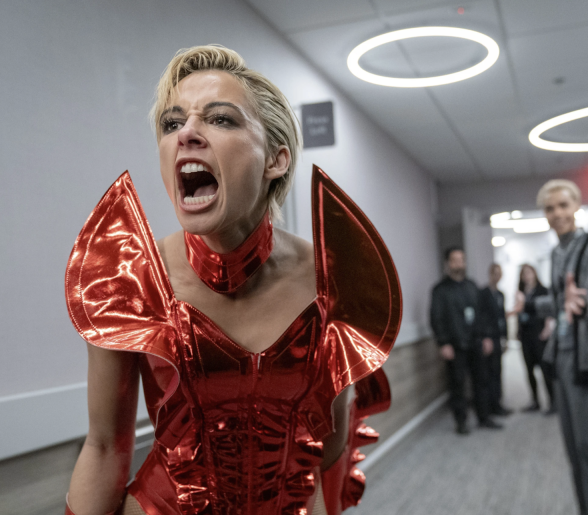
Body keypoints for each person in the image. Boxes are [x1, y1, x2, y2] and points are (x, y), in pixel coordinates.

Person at [64, 45, 402, 515]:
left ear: (276, 160)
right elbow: (104, 448)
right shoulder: (129, 275)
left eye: (221, 119)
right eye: (171, 122)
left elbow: (329, 450)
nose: (187, 134)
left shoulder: (334, 279)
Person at [513, 179, 588, 515]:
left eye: (563, 205)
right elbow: (561, 302)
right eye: (549, 208)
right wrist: (529, 306)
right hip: (560, 359)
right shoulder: (558, 252)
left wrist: (583, 306)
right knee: (574, 449)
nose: (557, 213)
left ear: (576, 206)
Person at [430, 247, 502, 434]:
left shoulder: (472, 286)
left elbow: (481, 315)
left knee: (481, 381)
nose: (459, 263)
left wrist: (486, 336)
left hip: (475, 343)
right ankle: (461, 421)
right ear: (448, 263)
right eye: (455, 260)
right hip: (455, 346)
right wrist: (443, 342)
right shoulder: (440, 290)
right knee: (458, 384)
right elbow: (436, 318)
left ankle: (484, 417)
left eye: (462, 259)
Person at [516, 264, 555, 414]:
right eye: (523, 273)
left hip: (539, 333)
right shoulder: (521, 293)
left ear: (534, 273)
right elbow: (519, 313)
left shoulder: (542, 290)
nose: (526, 276)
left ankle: (553, 401)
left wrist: (547, 328)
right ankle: (535, 401)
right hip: (526, 335)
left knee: (545, 369)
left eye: (529, 272)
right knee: (529, 369)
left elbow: (550, 310)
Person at [479, 263, 512, 417]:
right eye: (494, 273)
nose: (497, 276)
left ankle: (498, 404)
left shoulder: (500, 294)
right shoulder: (483, 293)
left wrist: (505, 337)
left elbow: (502, 318)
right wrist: (485, 337)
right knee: (488, 374)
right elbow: (482, 318)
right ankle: (489, 407)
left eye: (499, 273)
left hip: (498, 338)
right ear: (490, 274)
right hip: (488, 339)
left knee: (498, 371)